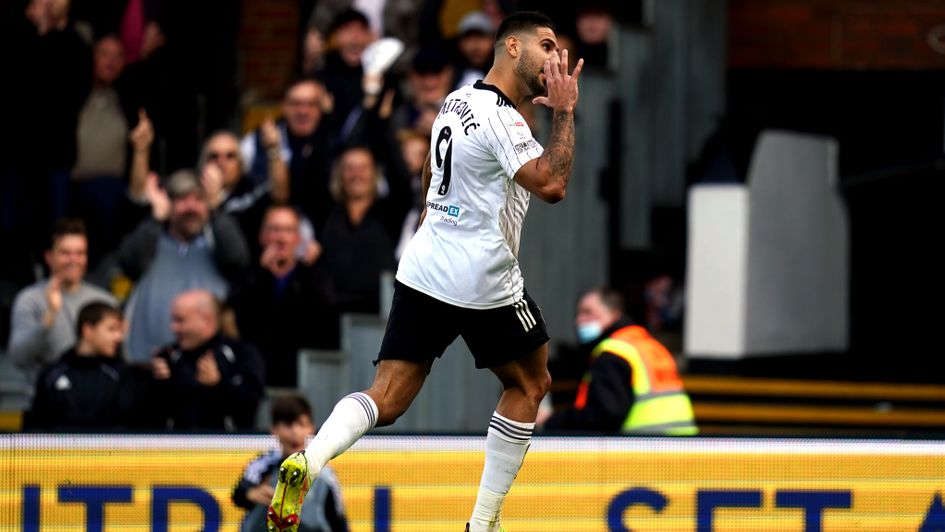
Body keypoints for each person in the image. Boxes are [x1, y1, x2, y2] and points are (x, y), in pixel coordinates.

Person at [267, 12, 584, 532]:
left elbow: (427, 175)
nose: (555, 58)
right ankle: (482, 523)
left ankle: (311, 458)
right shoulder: (504, 119)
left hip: (425, 261)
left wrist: (438, 219)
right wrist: (565, 113)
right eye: (546, 45)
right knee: (531, 382)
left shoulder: (456, 100)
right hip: (483, 274)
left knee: (386, 396)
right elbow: (551, 184)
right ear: (510, 47)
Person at [119, 170, 249, 364]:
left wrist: (215, 211)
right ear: (169, 203)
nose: (191, 207)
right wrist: (155, 219)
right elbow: (129, 263)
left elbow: (238, 260)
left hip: (207, 364)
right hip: (148, 360)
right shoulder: (151, 239)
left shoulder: (217, 241)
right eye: (182, 199)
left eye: (198, 199)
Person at [539, 288, 697, 434]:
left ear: (614, 314)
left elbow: (603, 416)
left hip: (643, 449)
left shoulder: (613, 353)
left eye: (588, 312)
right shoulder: (650, 345)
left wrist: (551, 421)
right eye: (579, 314)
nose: (579, 320)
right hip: (680, 447)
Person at [8, 219, 118, 402]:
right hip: (44, 406)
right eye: (65, 253)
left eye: (80, 253)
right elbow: (19, 357)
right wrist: (49, 317)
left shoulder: (105, 301)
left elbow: (118, 360)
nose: (74, 260)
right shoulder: (29, 299)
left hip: (97, 405)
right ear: (49, 257)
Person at [232, 206, 338, 387]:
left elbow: (325, 319)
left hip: (301, 376)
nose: (281, 238)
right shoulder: (250, 277)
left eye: (288, 230)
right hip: (260, 375)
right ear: (262, 236)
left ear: (298, 238)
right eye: (275, 230)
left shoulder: (313, 276)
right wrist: (263, 276)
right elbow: (245, 322)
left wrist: (312, 268)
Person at [145, 289, 265, 431]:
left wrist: (218, 384)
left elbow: (252, 403)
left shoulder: (241, 353)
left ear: (206, 320)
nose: (173, 328)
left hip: (228, 449)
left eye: (180, 320)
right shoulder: (168, 357)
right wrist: (155, 383)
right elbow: (143, 416)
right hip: (174, 449)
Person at [233, 394, 349, 532]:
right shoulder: (264, 463)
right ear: (274, 429)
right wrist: (250, 493)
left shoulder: (324, 474)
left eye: (301, 424)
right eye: (288, 425)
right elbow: (238, 494)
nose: (295, 432)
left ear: (311, 428)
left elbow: (338, 519)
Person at [26, 301, 136, 430]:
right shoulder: (52, 374)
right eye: (112, 329)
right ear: (88, 330)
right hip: (60, 449)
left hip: (108, 450)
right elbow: (37, 428)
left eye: (120, 331)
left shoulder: (121, 374)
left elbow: (131, 427)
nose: (119, 337)